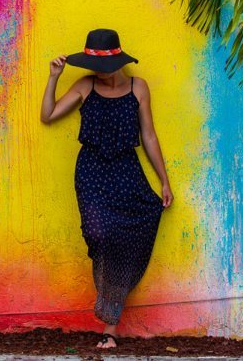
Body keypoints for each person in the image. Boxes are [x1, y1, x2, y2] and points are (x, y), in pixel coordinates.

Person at [40, 28, 173, 349]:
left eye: (99, 64)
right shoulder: (85, 85)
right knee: (100, 234)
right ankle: (109, 306)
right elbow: (48, 115)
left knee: (122, 240)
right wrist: (54, 77)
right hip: (92, 171)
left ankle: (109, 329)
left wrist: (164, 181)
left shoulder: (139, 87)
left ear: (117, 61)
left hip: (127, 171)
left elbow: (149, 137)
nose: (95, 70)